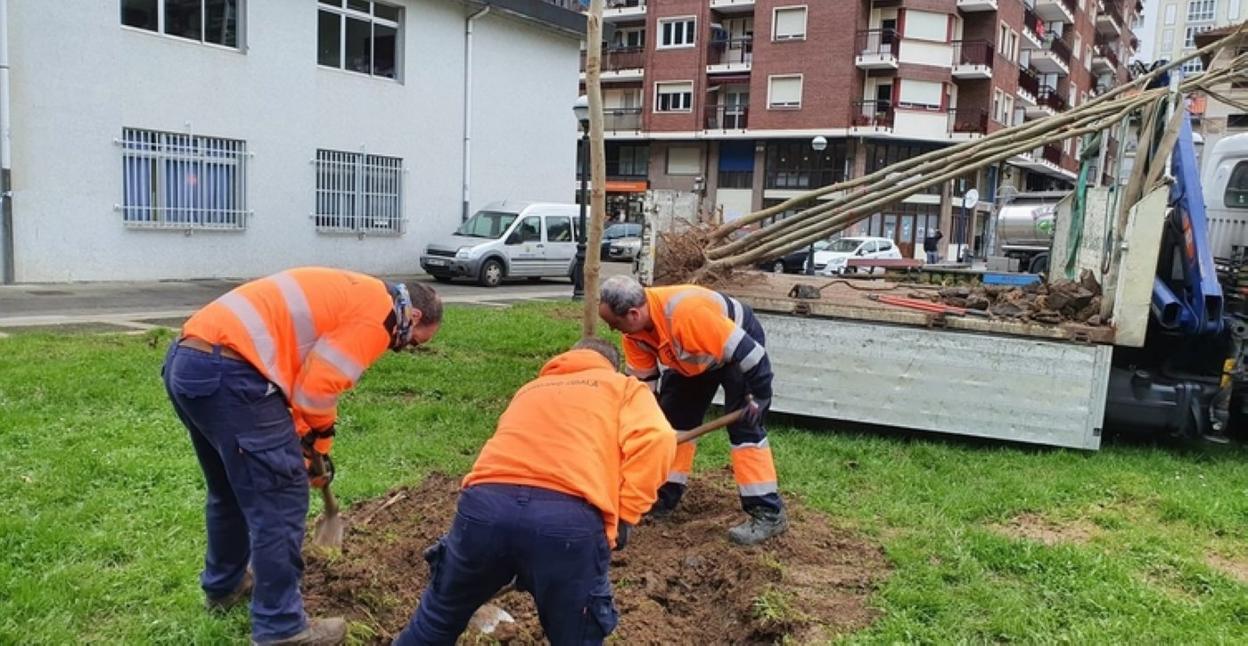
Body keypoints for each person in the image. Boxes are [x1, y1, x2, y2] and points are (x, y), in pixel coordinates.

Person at [163, 267, 442, 646]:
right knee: (282, 500)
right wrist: (320, 441)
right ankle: (281, 628)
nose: (405, 347)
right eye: (415, 343)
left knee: (229, 489)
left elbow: (298, 381)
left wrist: (302, 441)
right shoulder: (381, 316)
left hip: (191, 360)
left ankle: (224, 586)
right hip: (232, 371)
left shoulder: (357, 291)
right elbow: (316, 390)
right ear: (415, 317)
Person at [394, 338, 676, 646]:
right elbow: (658, 439)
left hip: (486, 506)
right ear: (612, 366)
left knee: (437, 618)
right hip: (566, 520)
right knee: (576, 636)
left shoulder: (530, 389)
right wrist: (626, 514)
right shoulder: (623, 388)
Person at [597, 275, 788, 545]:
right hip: (690, 358)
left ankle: (768, 513)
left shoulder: (687, 314)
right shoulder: (634, 333)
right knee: (671, 424)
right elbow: (643, 391)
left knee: (745, 429)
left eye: (614, 324)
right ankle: (663, 497)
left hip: (736, 351)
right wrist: (642, 430)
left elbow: (753, 356)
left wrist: (759, 396)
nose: (613, 330)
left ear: (633, 313)